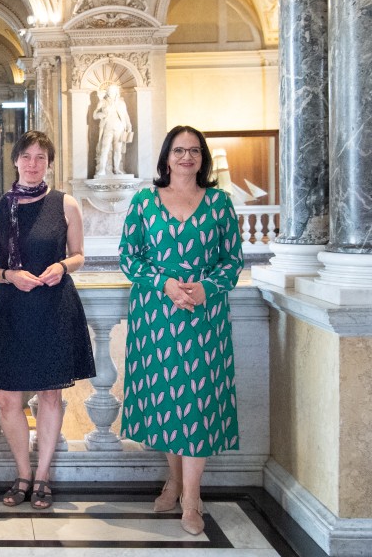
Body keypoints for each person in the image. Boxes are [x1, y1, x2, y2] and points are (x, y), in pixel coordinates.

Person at [118, 125, 244, 535]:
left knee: (199, 405)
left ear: (202, 158)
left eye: (193, 151)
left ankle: (192, 500)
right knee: (169, 404)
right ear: (166, 157)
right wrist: (165, 284)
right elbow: (129, 258)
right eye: (178, 150)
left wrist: (208, 287)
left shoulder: (221, 203)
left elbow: (233, 260)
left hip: (204, 319)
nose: (186, 157)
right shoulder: (144, 202)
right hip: (157, 316)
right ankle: (174, 480)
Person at [0, 130, 95, 510]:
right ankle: (22, 473)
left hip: (53, 306)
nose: (32, 164)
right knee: (8, 400)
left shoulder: (66, 204)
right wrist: (10, 274)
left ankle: (42, 476)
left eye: (40, 157)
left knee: (50, 394)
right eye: (26, 156)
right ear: (15, 161)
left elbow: (78, 255)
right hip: (11, 309)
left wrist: (62, 265)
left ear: (49, 162)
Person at [93, 85, 132, 176]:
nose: (111, 93)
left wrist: (129, 125)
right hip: (108, 127)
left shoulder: (121, 103)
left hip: (119, 127)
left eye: (112, 91)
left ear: (116, 92)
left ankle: (116, 169)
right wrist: (101, 114)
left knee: (117, 149)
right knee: (104, 148)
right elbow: (94, 114)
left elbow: (125, 115)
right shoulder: (103, 102)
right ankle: (102, 169)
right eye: (109, 91)